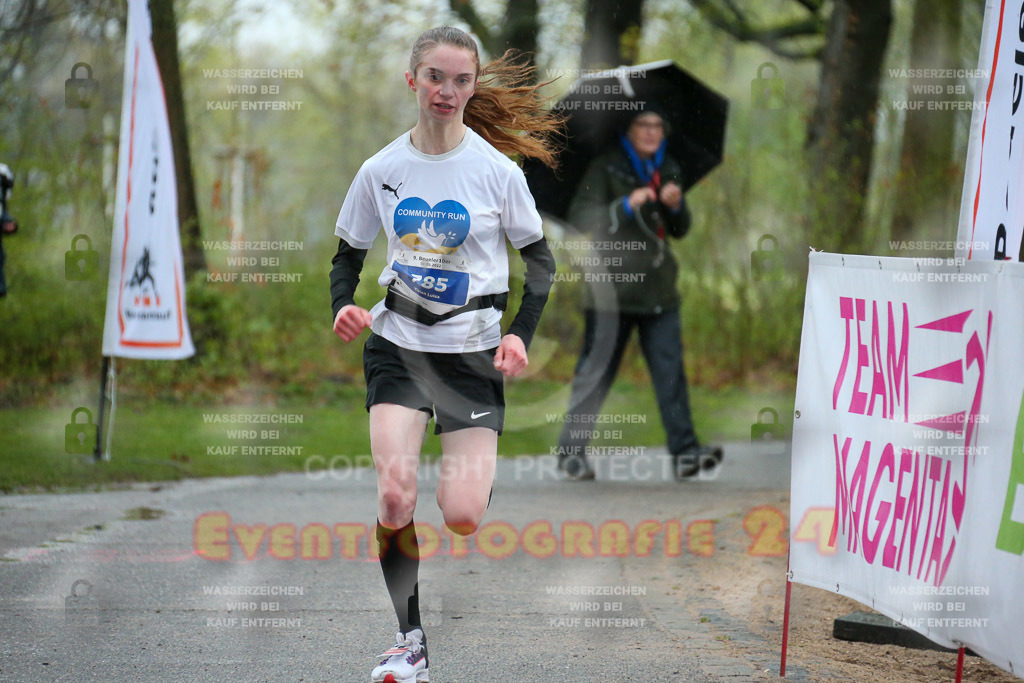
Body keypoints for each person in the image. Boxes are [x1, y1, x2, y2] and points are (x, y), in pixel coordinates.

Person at [329, 26, 560, 683]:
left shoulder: (497, 171)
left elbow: (540, 264)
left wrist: (519, 334)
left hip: (472, 357)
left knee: (460, 514)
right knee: (396, 493)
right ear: (413, 80)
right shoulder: (381, 170)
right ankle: (408, 639)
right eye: (435, 76)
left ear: (473, 86)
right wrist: (344, 303)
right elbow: (346, 253)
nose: (447, 90)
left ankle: (460, 470)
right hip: (397, 347)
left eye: (461, 79)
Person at [555, 105, 722, 481]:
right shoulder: (605, 167)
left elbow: (680, 230)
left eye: (657, 125)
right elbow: (585, 220)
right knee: (594, 375)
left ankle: (685, 453)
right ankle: (572, 454)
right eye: (643, 124)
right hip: (610, 293)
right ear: (628, 130)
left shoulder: (670, 168)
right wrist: (625, 205)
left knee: (670, 374)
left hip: (659, 291)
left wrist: (676, 207)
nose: (651, 132)